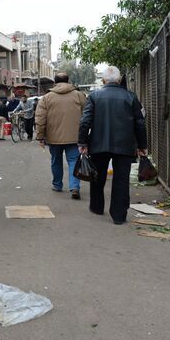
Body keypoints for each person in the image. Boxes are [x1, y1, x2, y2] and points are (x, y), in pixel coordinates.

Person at [78, 66, 147, 225]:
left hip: (98, 144)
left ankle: (96, 207)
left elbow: (85, 122)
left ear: (103, 81)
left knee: (97, 177)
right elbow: (140, 124)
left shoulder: (95, 96)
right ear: (118, 79)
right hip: (125, 146)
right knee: (121, 180)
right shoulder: (131, 97)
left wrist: (82, 142)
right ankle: (118, 215)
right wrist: (142, 145)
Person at [35, 72, 87, 199]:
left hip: (53, 138)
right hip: (75, 136)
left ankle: (57, 184)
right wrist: (86, 136)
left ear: (55, 82)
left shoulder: (47, 98)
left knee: (55, 161)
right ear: (68, 80)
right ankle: (75, 187)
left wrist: (40, 136)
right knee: (74, 161)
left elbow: (40, 119)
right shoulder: (79, 95)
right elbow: (87, 117)